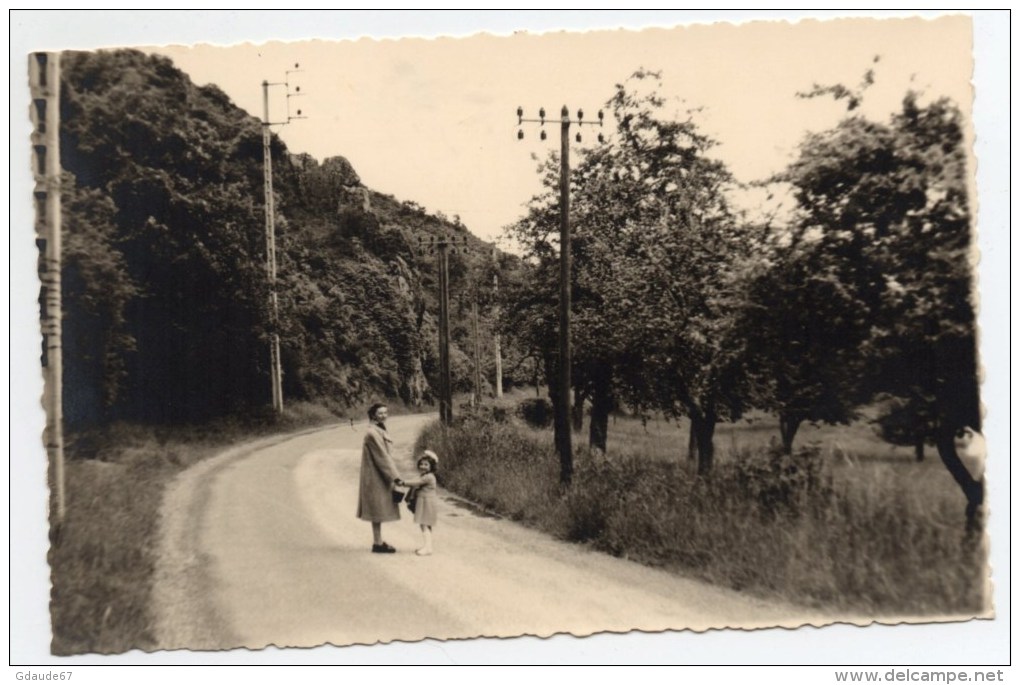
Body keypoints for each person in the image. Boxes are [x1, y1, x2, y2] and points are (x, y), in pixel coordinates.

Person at [356, 403, 402, 553]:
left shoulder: (379, 429)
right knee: (377, 508)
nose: (383, 415)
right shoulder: (372, 433)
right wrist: (396, 477)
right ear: (373, 415)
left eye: (385, 413)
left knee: (378, 508)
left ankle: (378, 541)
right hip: (376, 475)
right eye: (380, 413)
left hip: (380, 474)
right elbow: (383, 457)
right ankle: (377, 543)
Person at [400, 450, 440, 556]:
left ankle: (428, 548)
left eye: (426, 464)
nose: (423, 466)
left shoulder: (428, 477)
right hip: (426, 502)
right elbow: (416, 480)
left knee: (424, 525)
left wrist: (403, 483)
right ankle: (428, 546)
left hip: (426, 503)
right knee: (426, 524)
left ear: (432, 467)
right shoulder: (425, 475)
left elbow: (416, 482)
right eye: (421, 464)